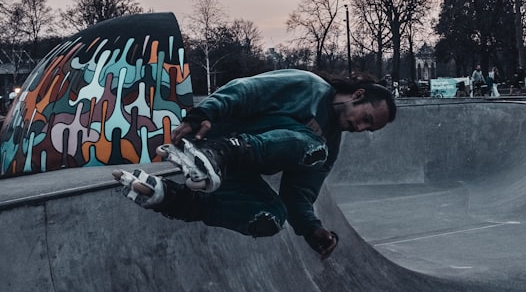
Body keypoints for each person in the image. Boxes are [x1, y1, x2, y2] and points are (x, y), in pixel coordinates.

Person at [113, 69, 397, 260]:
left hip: (231, 167)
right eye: (365, 118)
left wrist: (312, 229)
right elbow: (247, 90)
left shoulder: (331, 144)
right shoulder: (310, 87)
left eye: (367, 129)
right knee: (314, 146)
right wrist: (203, 113)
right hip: (218, 136)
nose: (359, 128)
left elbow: (298, 193)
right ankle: (217, 153)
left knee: (269, 218)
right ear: (358, 96)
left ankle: (169, 198)